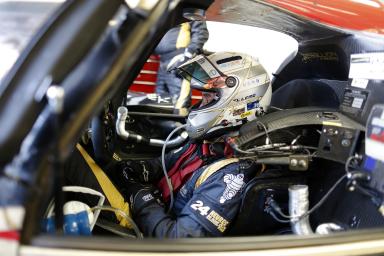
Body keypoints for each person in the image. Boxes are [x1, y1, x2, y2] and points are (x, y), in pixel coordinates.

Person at [110, 51, 273, 237]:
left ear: (238, 102)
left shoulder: (233, 173)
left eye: (208, 98)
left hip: (144, 235)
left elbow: (178, 241)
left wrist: (142, 198)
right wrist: (135, 170)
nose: (200, 105)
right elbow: (166, 164)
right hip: (147, 216)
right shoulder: (208, 142)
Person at [154, 21, 209, 96]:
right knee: (160, 99)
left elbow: (201, 32)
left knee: (180, 97)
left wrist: (187, 55)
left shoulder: (189, 12)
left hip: (179, 58)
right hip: (163, 59)